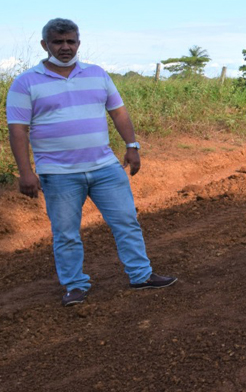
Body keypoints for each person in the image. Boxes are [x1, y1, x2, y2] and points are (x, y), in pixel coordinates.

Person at [5, 19, 177, 307]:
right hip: (58, 174)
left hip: (105, 168)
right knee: (66, 234)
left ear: (78, 43)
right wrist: (26, 172)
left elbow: (119, 113)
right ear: (45, 45)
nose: (65, 47)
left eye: (70, 41)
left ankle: (141, 275)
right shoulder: (26, 82)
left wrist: (132, 146)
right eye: (58, 42)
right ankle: (75, 285)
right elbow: (17, 129)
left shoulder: (97, 74)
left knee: (126, 221)